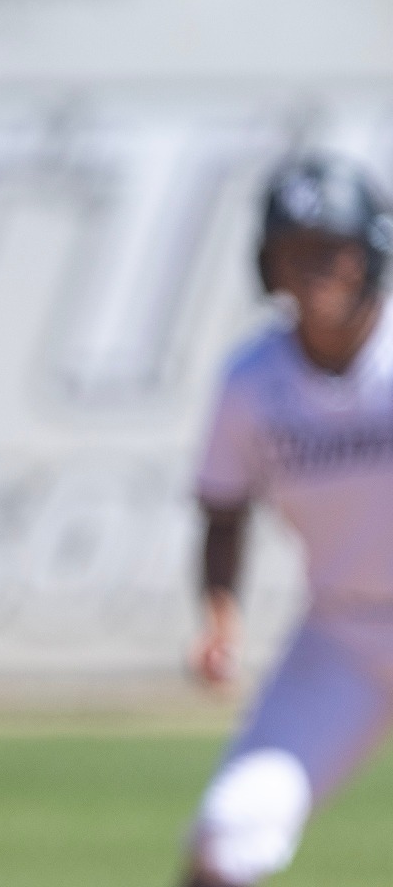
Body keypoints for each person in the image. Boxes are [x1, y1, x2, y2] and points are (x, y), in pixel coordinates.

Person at [180, 152, 393, 886]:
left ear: (372, 252)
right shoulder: (253, 383)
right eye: (294, 249)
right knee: (227, 833)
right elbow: (223, 506)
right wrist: (218, 617)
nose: (314, 269)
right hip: (342, 635)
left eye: (332, 248)